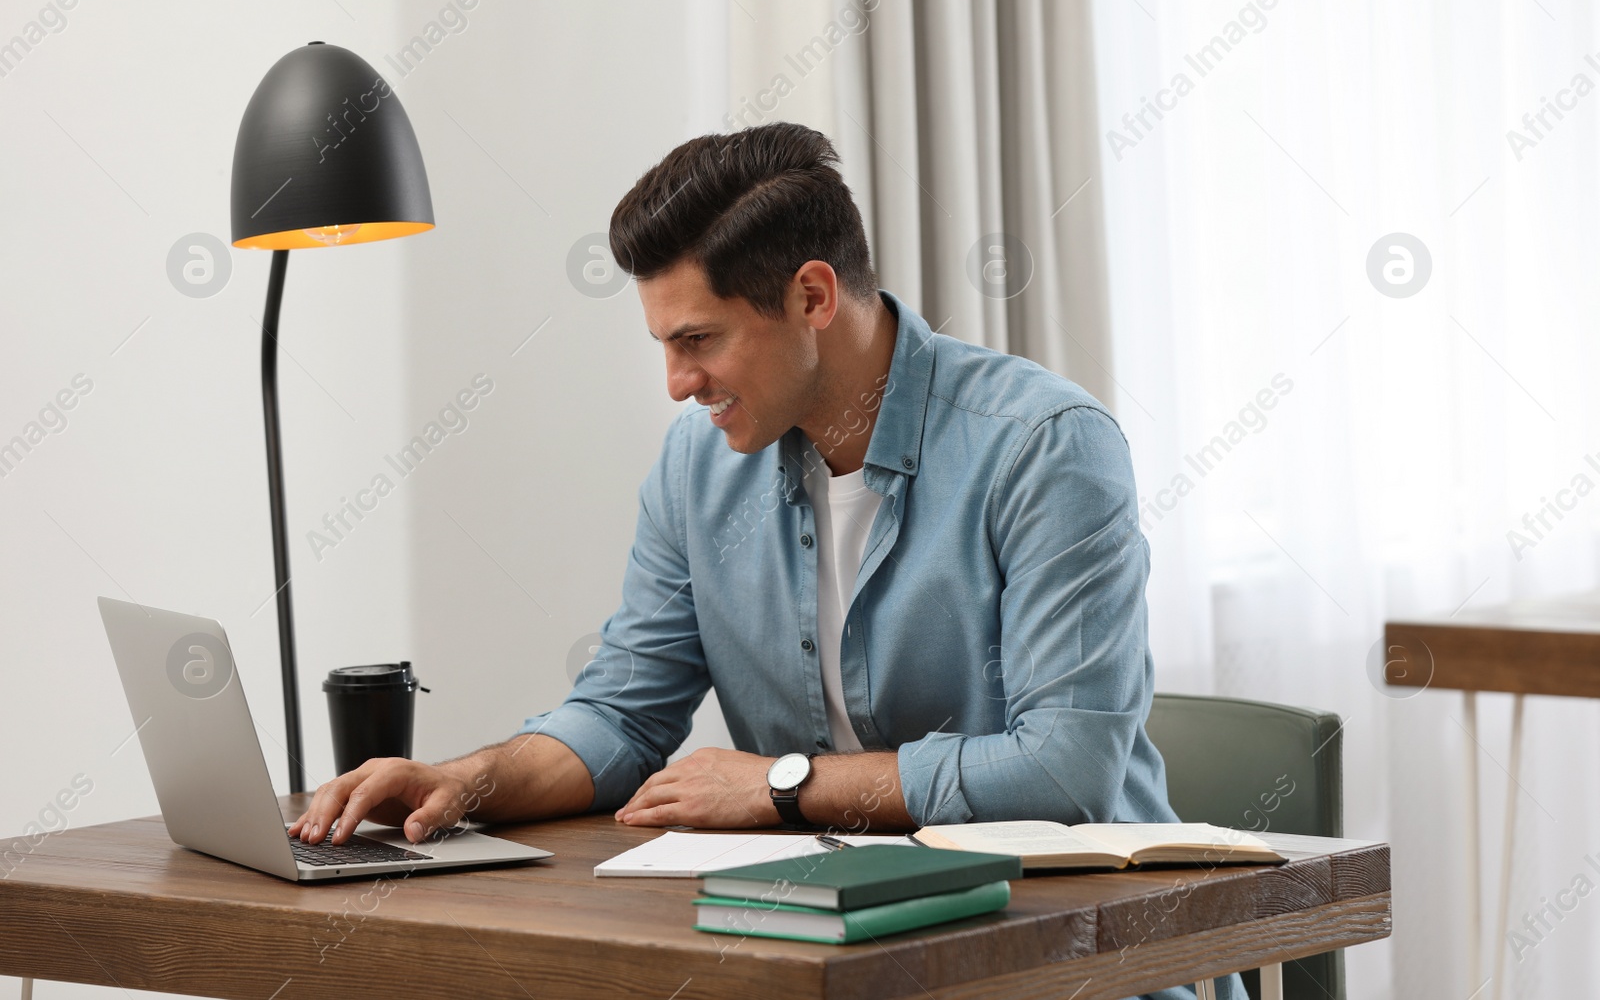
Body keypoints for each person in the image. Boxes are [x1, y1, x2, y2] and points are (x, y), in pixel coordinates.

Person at [292, 120, 1239, 999]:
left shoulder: (1043, 445)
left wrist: (782, 785)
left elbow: (1062, 770)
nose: (677, 384)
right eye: (665, 345)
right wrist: (469, 781)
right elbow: (624, 708)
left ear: (812, 296)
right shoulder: (700, 466)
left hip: (1068, 958)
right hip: (827, 946)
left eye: (698, 340)